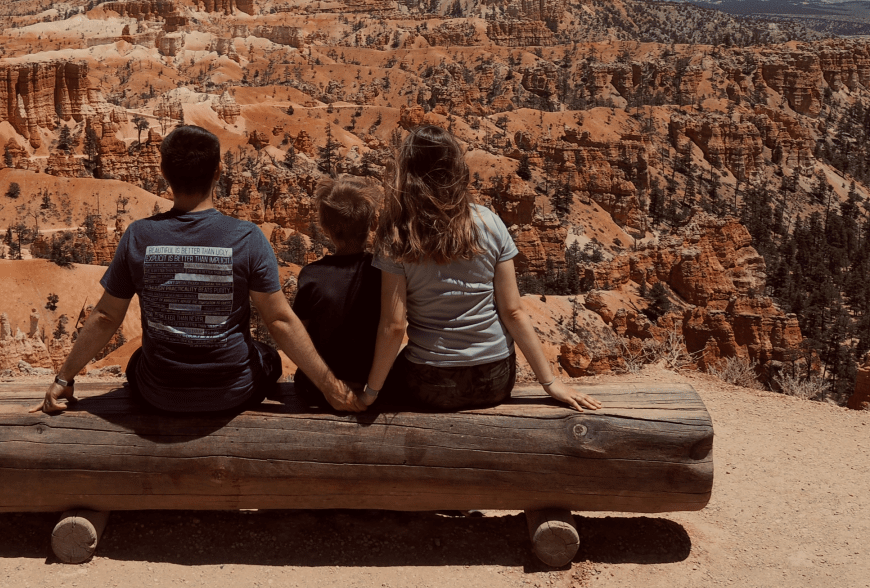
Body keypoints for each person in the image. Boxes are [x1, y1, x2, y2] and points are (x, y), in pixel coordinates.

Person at [35, 125, 365, 416]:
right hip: (233, 392)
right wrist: (331, 387)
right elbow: (279, 321)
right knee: (269, 359)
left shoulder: (138, 236)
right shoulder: (247, 238)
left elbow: (106, 316)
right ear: (219, 172)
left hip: (159, 394)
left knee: (137, 362)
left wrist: (63, 379)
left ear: (164, 172)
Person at [358, 124, 600, 414]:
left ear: (407, 173)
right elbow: (513, 312)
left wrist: (370, 394)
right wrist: (550, 383)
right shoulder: (489, 222)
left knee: (394, 378)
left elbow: (394, 325)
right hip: (495, 379)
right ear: (456, 168)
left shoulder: (397, 234)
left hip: (432, 384)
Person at [292, 176, 382, 403]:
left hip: (315, 390)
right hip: (367, 388)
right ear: (372, 224)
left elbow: (297, 337)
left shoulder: (311, 276)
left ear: (325, 227)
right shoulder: (384, 274)